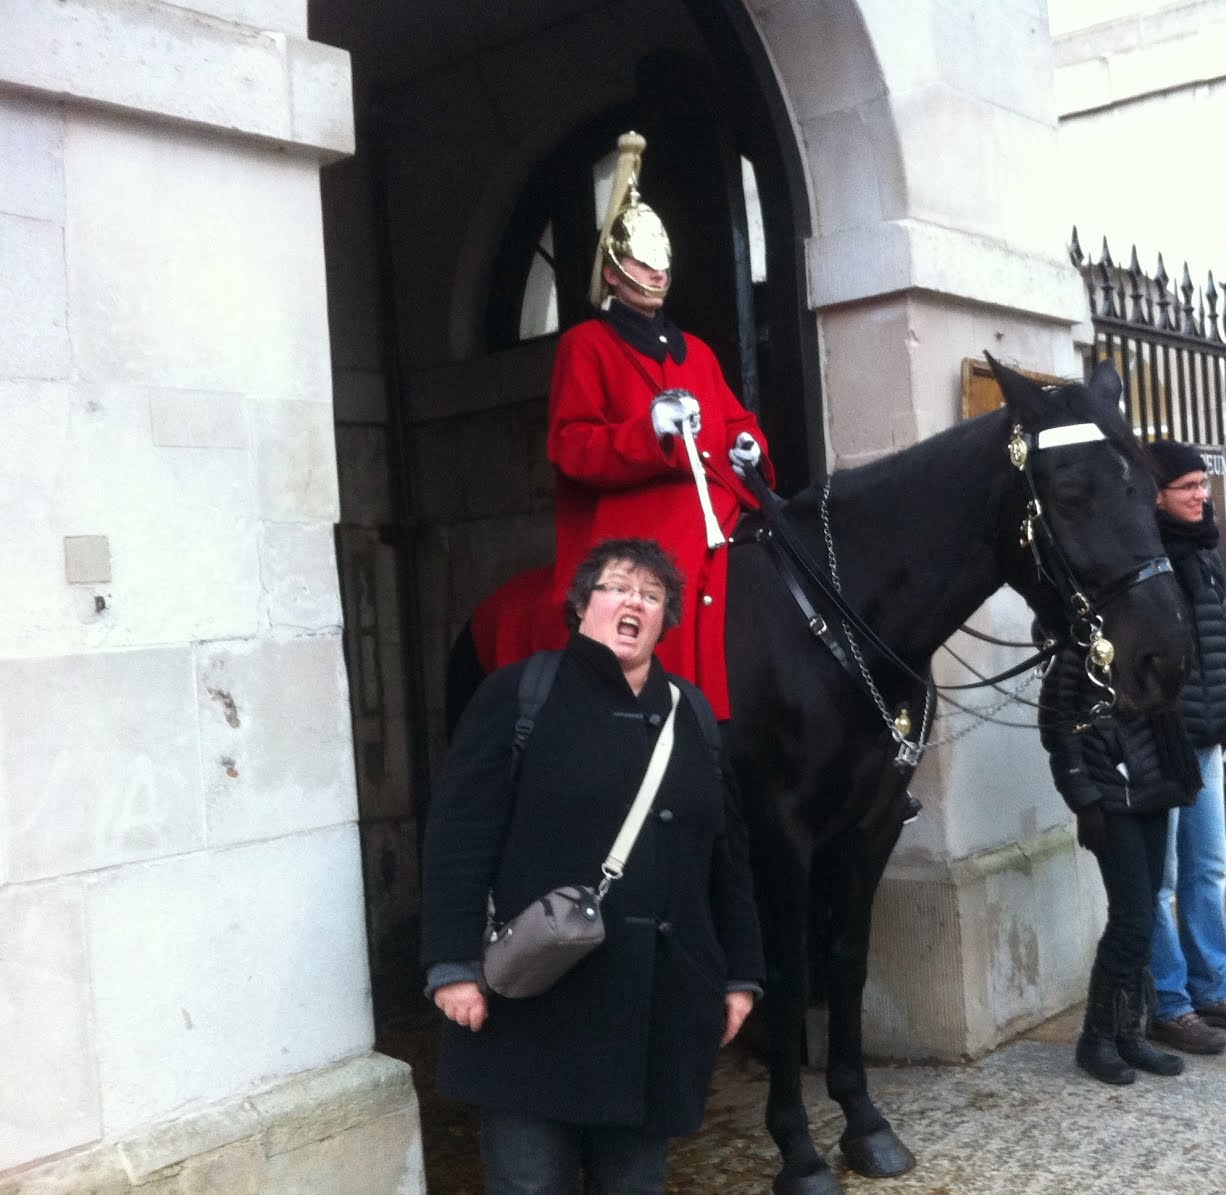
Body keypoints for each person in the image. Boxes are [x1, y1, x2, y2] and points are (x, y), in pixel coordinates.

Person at [420, 538, 765, 1194]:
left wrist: (741, 974)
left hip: (653, 1018)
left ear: (668, 618)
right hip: (531, 1012)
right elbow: (456, 837)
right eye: (617, 586)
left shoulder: (692, 714)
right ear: (582, 604)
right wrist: (452, 964)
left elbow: (729, 861)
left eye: (653, 594)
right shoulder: (519, 695)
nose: (634, 600)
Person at [526, 130, 772, 721]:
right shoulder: (587, 346)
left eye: (659, 262)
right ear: (613, 272)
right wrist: (648, 431)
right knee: (663, 584)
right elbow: (571, 444)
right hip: (639, 521)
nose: (654, 272)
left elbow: (737, 421)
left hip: (720, 505)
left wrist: (748, 445)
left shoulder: (699, 352)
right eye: (639, 261)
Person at [1142, 440, 1226, 1056]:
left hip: (1207, 735)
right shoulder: (1143, 551)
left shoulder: (1208, 547)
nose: (1202, 495)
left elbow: (1223, 636)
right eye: (1188, 486)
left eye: (1203, 483)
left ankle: (1212, 990)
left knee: (1208, 869)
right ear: (1156, 494)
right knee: (1161, 877)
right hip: (1161, 737)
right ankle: (1168, 1004)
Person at [1038, 625, 1197, 1085]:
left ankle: (1128, 1034)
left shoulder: (1144, 629)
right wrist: (1085, 802)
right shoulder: (1079, 640)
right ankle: (1096, 1039)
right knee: (1132, 920)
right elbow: (1058, 728)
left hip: (1152, 786)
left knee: (1144, 912)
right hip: (1110, 802)